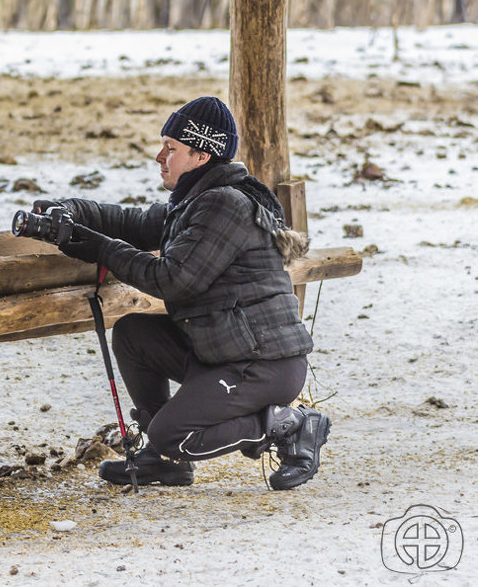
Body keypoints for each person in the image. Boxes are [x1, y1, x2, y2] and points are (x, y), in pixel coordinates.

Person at [35, 96, 329, 490]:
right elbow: (133, 222)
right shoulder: (195, 200)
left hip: (262, 364)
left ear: (201, 155)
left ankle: (288, 423)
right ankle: (163, 463)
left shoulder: (226, 205)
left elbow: (172, 279)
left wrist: (96, 246)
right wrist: (68, 210)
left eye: (171, 148)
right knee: (133, 335)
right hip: (220, 351)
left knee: (171, 433)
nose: (160, 156)